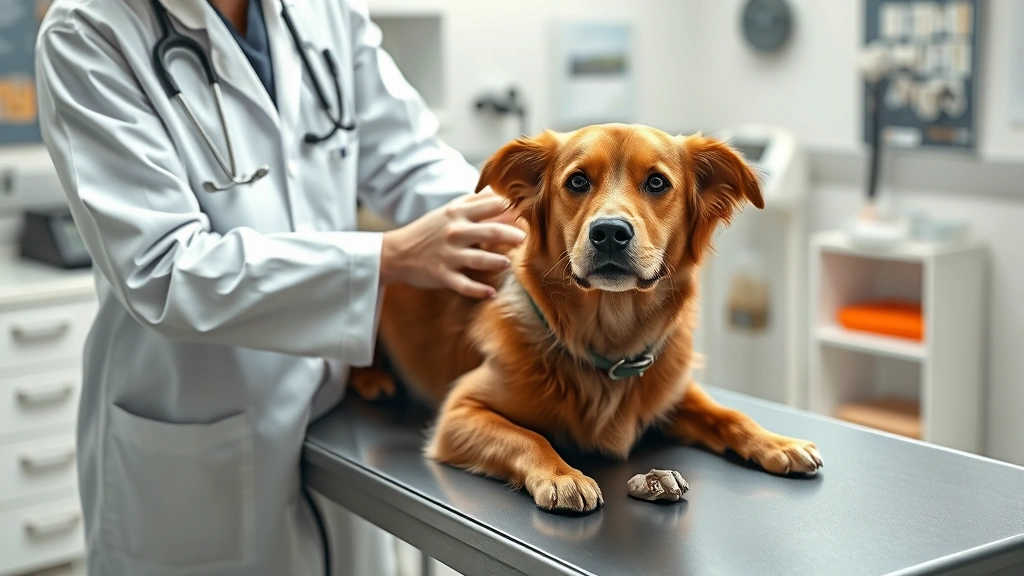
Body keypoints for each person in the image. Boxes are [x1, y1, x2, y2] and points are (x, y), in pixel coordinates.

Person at [33, 0, 525, 574]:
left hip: (334, 422)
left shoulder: (324, 10)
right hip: (195, 436)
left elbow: (409, 159)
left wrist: (517, 222)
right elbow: (163, 268)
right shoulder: (87, 29)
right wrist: (386, 257)